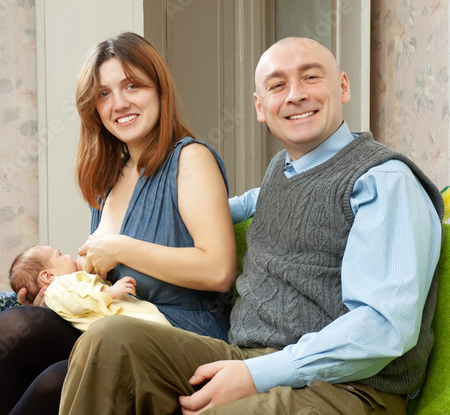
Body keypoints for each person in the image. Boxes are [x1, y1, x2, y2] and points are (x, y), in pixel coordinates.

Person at [59, 37, 444, 415]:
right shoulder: (285, 170)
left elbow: (384, 328)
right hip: (246, 354)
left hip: (349, 388)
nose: (294, 95)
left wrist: (255, 374)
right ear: (261, 107)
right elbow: (240, 206)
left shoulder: (383, 180)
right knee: (111, 339)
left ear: (342, 86)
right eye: (278, 85)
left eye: (311, 78)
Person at [0, 32, 236, 415]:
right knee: (16, 330)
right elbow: (106, 283)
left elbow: (218, 271)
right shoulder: (110, 176)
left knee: (48, 374)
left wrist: (119, 248)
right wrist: (55, 295)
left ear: (160, 90)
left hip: (181, 335)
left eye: (133, 85)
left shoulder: (190, 159)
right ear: (93, 107)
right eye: (104, 94)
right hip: (116, 323)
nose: (119, 103)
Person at [9, 244, 172, 331]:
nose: (69, 256)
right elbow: (79, 301)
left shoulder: (68, 285)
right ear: (48, 276)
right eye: (60, 255)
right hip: (128, 330)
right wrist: (109, 292)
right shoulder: (56, 289)